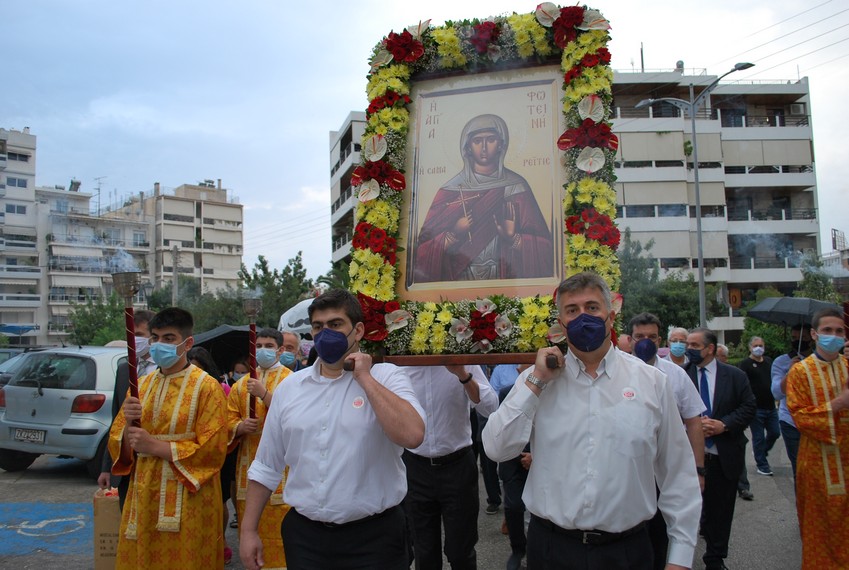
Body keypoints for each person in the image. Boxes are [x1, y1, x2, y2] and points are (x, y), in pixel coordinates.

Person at [483, 272, 701, 570]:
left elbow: (678, 474)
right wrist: (536, 383)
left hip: (626, 551)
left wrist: (680, 558)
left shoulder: (652, 383)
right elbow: (496, 448)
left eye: (592, 308)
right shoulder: (535, 381)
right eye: (572, 310)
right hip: (550, 549)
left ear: (611, 317)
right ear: (561, 323)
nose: (583, 317)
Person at [239, 289, 426, 570]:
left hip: (375, 539)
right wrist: (248, 530)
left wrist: (364, 377)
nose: (325, 333)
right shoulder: (290, 389)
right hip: (306, 538)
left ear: (358, 330)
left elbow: (412, 435)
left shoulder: (387, 377)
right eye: (318, 327)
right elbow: (267, 465)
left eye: (335, 325)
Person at [107, 307, 229, 569]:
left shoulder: (207, 387)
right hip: (144, 492)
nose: (159, 345)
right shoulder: (141, 385)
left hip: (189, 498)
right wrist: (128, 427)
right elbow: (119, 442)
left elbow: (213, 450)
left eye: (169, 338)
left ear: (188, 343)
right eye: (155, 338)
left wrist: (156, 446)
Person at [413, 114, 553, 283]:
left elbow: (546, 251)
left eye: (491, 139)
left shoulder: (515, 187)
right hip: (460, 279)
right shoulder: (450, 190)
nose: (484, 147)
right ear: (468, 147)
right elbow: (420, 254)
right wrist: (453, 233)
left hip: (504, 277)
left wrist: (513, 238)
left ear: (501, 144)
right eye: (477, 141)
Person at [628, 313, 706, 570]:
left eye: (651, 337)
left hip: (665, 467)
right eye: (640, 337)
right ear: (630, 339)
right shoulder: (619, 373)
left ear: (659, 339)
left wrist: (698, 469)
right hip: (630, 469)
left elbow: (694, 420)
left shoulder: (676, 375)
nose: (645, 342)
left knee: (661, 533)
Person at [402, 364, 498, 570]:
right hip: (415, 467)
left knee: (461, 551)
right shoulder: (401, 363)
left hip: (457, 466)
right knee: (424, 552)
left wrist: (463, 375)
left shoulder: (461, 358)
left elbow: (491, 407)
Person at [685, 328, 756, 570]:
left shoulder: (734, 376)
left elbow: (748, 407)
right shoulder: (682, 375)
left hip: (723, 455)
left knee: (721, 511)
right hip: (690, 459)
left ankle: (715, 559)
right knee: (688, 512)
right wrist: (691, 427)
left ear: (710, 349)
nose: (689, 350)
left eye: (695, 346)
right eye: (688, 345)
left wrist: (723, 425)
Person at [785, 308, 849, 569]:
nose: (833, 336)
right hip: (817, 463)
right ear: (814, 334)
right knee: (819, 525)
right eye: (827, 331)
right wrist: (838, 404)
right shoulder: (800, 372)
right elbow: (800, 417)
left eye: (839, 331)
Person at [227, 327, 292, 570]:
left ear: (280, 350)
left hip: (284, 468)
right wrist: (240, 427)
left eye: (268, 346)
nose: (263, 350)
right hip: (249, 466)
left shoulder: (292, 380)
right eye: (259, 346)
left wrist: (264, 395)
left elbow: (296, 417)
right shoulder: (239, 386)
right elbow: (225, 422)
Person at [97, 309, 155, 509]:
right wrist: (107, 468)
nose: (133, 340)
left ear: (153, 337)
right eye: (129, 335)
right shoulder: (124, 369)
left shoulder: (165, 370)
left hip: (154, 464)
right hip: (125, 467)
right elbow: (116, 421)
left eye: (138, 335)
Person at [187, 345, 235, 565]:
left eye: (199, 368)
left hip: (217, 450)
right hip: (190, 452)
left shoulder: (221, 389)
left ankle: (220, 539)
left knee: (220, 499)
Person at [771, 323, 813, 478]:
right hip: (791, 421)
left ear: (812, 338)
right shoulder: (781, 362)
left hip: (815, 421)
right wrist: (790, 372)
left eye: (803, 338)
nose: (797, 341)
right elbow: (776, 393)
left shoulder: (818, 362)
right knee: (800, 469)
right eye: (794, 338)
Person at [738, 336, 780, 476]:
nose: (758, 348)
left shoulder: (768, 361)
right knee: (758, 437)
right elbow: (742, 385)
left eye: (761, 345)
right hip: (756, 408)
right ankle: (762, 465)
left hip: (771, 406)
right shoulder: (746, 364)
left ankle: (761, 451)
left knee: (775, 432)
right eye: (755, 345)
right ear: (750, 347)